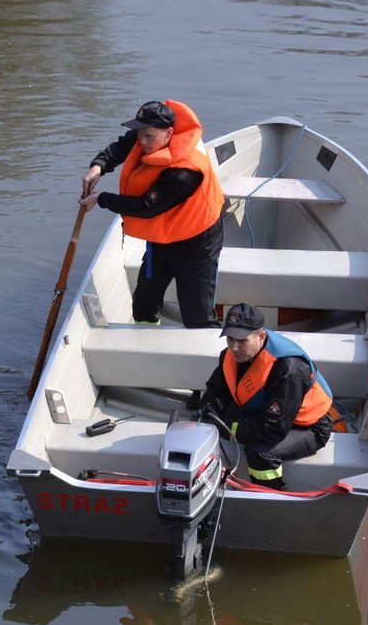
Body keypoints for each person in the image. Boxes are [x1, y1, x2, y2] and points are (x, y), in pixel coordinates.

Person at [79, 100, 225, 328]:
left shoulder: (184, 172)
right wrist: (98, 165)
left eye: (149, 136)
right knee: (143, 304)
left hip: (196, 240)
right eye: (140, 134)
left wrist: (100, 199)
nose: (142, 141)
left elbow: (146, 207)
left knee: (197, 316)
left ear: (169, 133)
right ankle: (148, 343)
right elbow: (122, 146)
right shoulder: (146, 137)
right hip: (163, 234)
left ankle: (209, 356)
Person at [193, 303, 333, 490]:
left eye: (242, 341)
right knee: (202, 421)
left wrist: (226, 427)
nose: (234, 348)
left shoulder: (288, 369)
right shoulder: (233, 355)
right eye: (230, 340)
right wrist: (210, 408)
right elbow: (217, 389)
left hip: (308, 426)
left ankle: (270, 494)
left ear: (261, 336)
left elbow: (272, 430)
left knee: (260, 453)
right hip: (264, 413)